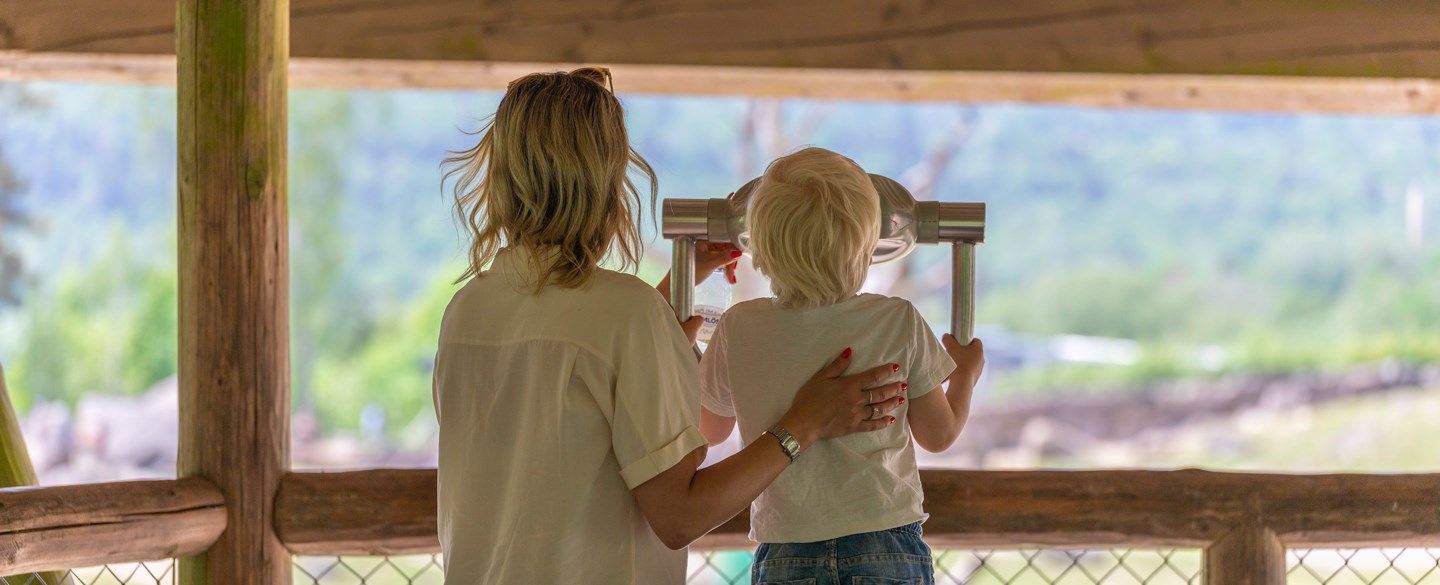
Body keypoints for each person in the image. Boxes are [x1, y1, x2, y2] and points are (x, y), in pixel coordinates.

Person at [432, 68, 907, 584]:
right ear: (607, 180)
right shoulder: (627, 315)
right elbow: (680, 516)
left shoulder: (467, 311)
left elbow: (563, 373)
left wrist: (668, 300)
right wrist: (804, 425)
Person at [698, 147, 986, 584]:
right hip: (885, 541)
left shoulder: (739, 327)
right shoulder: (896, 319)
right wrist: (964, 373)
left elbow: (709, 429)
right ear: (867, 247)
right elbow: (939, 434)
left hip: (786, 546)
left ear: (762, 247)